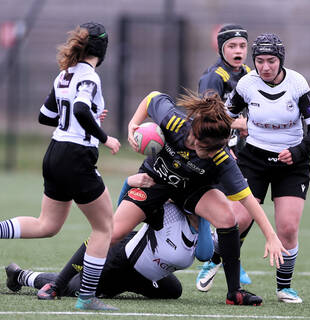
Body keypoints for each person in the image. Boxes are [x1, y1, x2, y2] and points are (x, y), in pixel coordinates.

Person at [111, 89, 288, 306]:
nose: (215, 153)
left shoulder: (220, 158)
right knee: (114, 232)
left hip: (191, 190)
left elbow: (249, 200)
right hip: (158, 180)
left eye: (219, 148)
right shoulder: (175, 123)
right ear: (196, 138)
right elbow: (151, 98)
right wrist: (132, 124)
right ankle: (66, 280)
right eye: (211, 148)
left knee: (226, 218)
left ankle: (235, 292)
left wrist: (271, 236)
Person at [0, 22, 121, 311]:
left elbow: (45, 115)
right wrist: (105, 138)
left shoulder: (64, 74)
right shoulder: (90, 76)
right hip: (76, 156)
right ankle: (86, 298)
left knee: (47, 225)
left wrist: (87, 115)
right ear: (102, 50)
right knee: (106, 228)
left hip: (54, 152)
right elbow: (79, 109)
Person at [5, 173, 214, 300]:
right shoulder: (167, 211)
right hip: (121, 263)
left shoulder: (204, 224)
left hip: (146, 277)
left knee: (174, 291)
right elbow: (124, 209)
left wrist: (204, 217)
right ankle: (21, 275)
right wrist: (129, 182)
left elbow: (205, 254)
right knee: (74, 288)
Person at [225, 33, 310, 303]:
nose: (265, 67)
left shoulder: (298, 83)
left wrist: (300, 151)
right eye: (259, 61)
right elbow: (224, 118)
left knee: (288, 228)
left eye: (271, 61)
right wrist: (226, 146)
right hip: (253, 160)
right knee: (238, 220)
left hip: (291, 163)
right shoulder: (246, 84)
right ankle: (217, 259)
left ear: (281, 61)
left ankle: (284, 287)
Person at [196, 24, 252, 291]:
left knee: (246, 209)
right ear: (221, 49)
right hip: (217, 151)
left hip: (241, 152)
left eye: (242, 46)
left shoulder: (250, 74)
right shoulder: (214, 77)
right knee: (227, 209)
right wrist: (236, 125)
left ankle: (227, 257)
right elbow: (208, 116)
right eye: (232, 46)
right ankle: (210, 257)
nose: (238, 51)